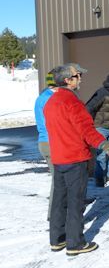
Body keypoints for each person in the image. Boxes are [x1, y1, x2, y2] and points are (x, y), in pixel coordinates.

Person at [44, 63, 109, 255]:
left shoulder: (50, 103)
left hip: (59, 158)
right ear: (68, 80)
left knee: (59, 200)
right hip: (74, 158)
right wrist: (108, 147)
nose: (81, 79)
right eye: (78, 76)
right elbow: (87, 130)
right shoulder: (72, 102)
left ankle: (57, 239)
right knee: (75, 201)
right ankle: (76, 243)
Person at [34, 69, 57, 221]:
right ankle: (54, 215)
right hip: (52, 142)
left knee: (58, 179)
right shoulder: (51, 99)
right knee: (58, 181)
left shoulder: (42, 97)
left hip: (45, 141)